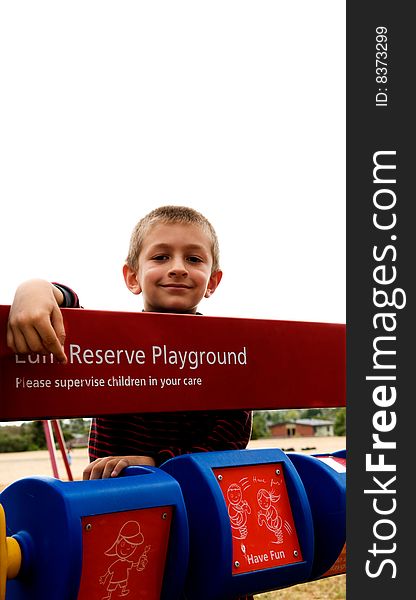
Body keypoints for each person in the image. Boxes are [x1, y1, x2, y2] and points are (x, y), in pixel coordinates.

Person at [7, 206, 253, 480]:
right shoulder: (114, 341)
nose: (178, 268)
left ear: (212, 282)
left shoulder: (227, 351)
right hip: (117, 495)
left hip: (197, 495)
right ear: (133, 277)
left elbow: (230, 437)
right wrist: (36, 288)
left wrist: (156, 462)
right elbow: (73, 316)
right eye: (161, 257)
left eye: (194, 259)